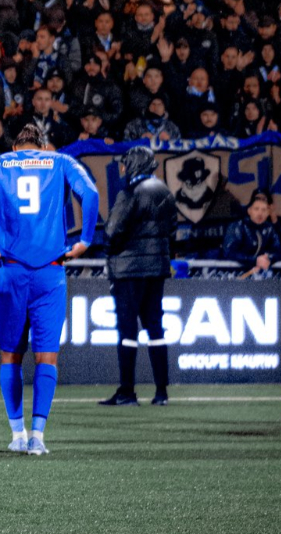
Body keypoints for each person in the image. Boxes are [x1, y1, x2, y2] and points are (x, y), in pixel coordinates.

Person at [0, 123, 99, 455]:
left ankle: (16, 434)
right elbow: (92, 194)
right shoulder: (61, 161)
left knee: (11, 355)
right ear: (42, 145)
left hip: (10, 271)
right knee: (46, 358)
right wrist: (86, 240)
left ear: (15, 147)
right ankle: (38, 435)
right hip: (50, 273)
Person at [99, 146, 178, 407]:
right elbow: (173, 229)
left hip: (129, 270)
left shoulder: (130, 193)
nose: (123, 169)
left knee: (127, 330)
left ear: (132, 164)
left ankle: (127, 391)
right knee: (155, 327)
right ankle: (161, 393)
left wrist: (112, 253)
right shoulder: (166, 191)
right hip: (157, 269)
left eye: (125, 164)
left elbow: (112, 231)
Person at [221, 191, 281, 274]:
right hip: (235, 274)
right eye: (256, 209)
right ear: (249, 210)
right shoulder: (238, 226)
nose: (260, 213)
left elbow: (278, 250)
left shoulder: (270, 229)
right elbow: (229, 252)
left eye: (264, 210)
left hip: (261, 274)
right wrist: (254, 260)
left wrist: (268, 258)